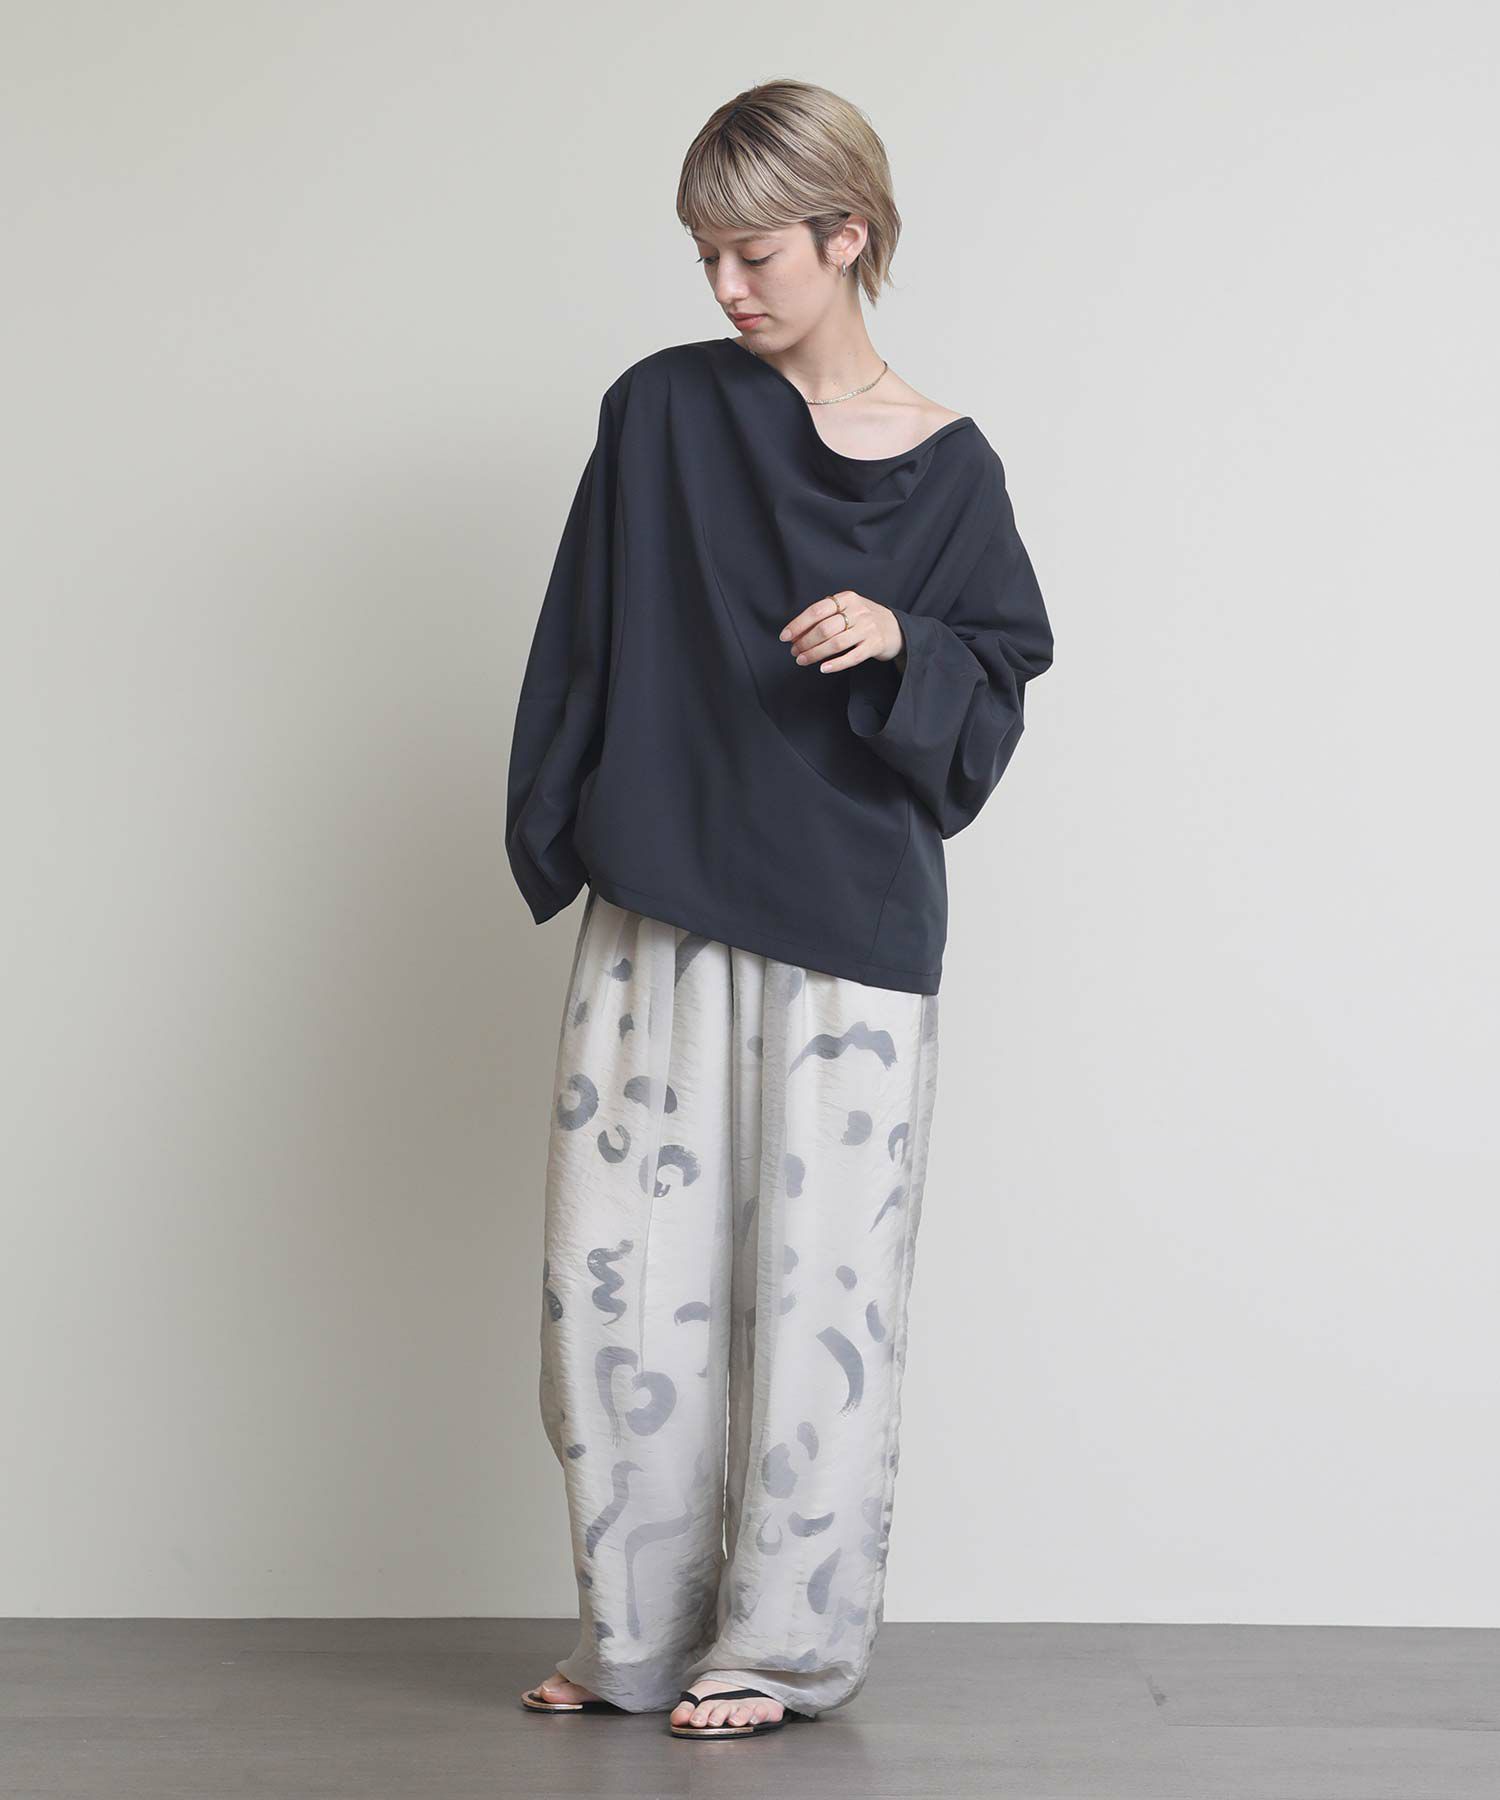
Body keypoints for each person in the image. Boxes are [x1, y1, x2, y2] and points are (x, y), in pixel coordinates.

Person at [507, 78, 1054, 1742]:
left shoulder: (953, 465)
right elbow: (582, 628)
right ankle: (634, 1639)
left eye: (755, 253)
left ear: (847, 235)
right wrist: (570, 824)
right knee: (618, 1291)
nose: (726, 286)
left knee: (823, 1304)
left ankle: (783, 1651)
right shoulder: (662, 411)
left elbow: (1000, 678)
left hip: (849, 931)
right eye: (706, 255)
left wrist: (902, 642)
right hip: (663, 900)